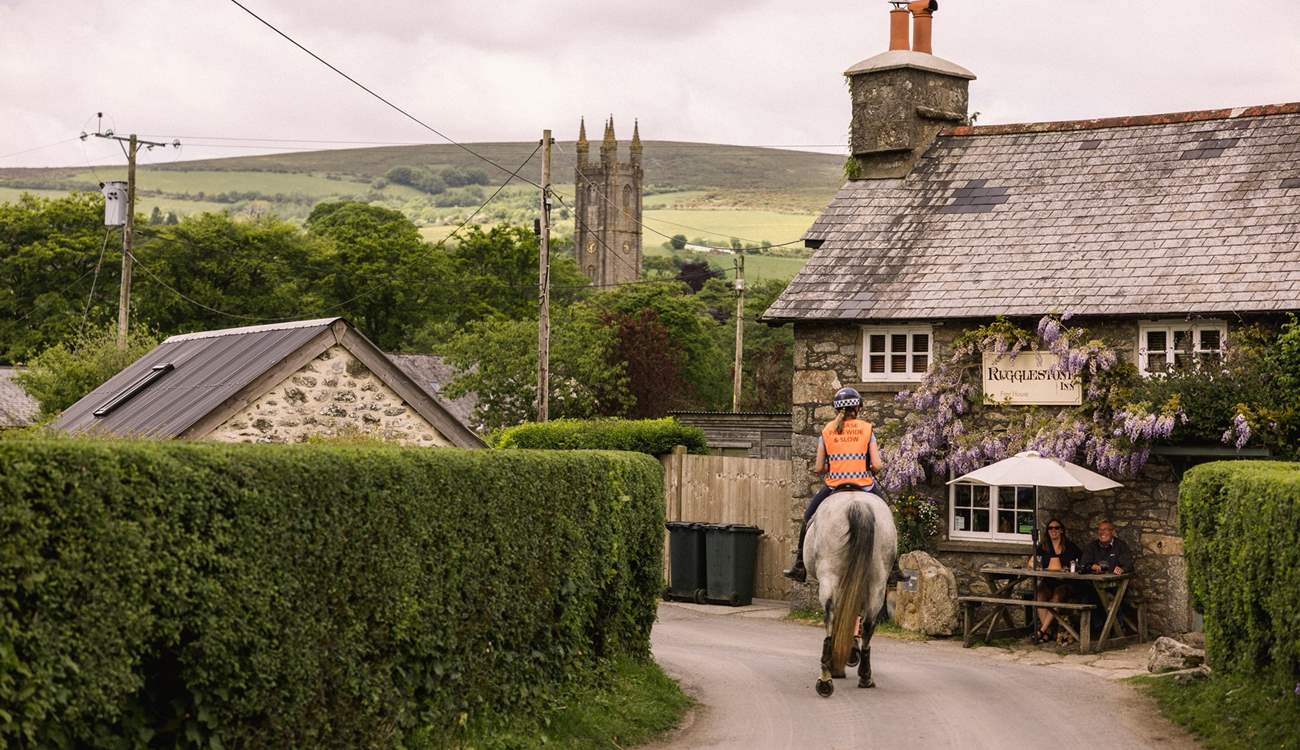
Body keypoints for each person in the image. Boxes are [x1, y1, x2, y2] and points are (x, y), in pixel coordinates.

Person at [782, 387, 883, 583]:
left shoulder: (827, 431)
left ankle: (799, 566)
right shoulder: (867, 429)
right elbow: (877, 465)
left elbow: (819, 467)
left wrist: (834, 464)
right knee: (886, 516)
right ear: (858, 408)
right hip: (864, 485)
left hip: (834, 486)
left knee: (807, 517)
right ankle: (894, 567)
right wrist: (869, 467)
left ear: (837, 410)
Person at [1027, 518, 1082, 644]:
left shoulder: (1069, 547)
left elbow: (1080, 562)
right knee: (1039, 595)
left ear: (1061, 530)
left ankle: (1042, 631)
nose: (1053, 530)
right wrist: (1033, 564)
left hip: (1065, 582)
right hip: (1049, 581)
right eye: (1050, 528)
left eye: (1056, 528)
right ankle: (1047, 631)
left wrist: (1070, 569)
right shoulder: (1043, 546)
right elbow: (1032, 561)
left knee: (1056, 597)